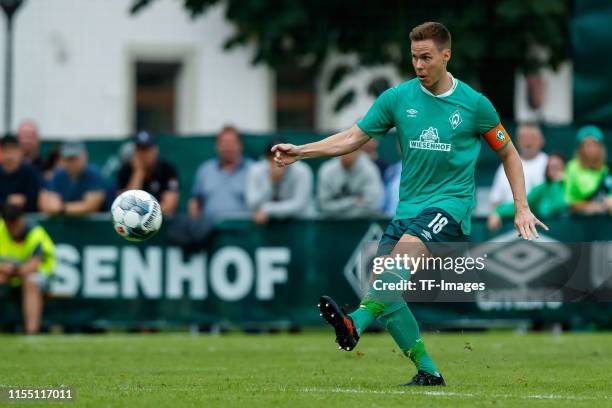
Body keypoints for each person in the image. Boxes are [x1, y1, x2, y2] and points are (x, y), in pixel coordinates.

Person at [271, 22, 546, 386]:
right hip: (407, 211)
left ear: (446, 55)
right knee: (384, 288)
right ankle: (428, 372)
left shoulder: (475, 104)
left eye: (427, 57)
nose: (419, 64)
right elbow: (353, 137)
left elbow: (510, 154)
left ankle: (355, 323)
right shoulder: (397, 99)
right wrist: (302, 151)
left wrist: (521, 206)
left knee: (391, 271)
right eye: (414, 57)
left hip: (448, 209)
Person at [183, 126, 252, 242]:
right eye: (224, 143)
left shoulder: (253, 170)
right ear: (217, 146)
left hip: (245, 236)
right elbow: (195, 201)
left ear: (240, 145)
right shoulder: (205, 170)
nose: (228, 147)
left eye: (231, 143)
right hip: (209, 237)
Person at [0, 204, 55, 334]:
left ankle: (31, 332)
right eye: (9, 223)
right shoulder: (1, 229)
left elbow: (33, 266)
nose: (12, 227)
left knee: (31, 281)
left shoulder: (35, 233)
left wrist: (11, 270)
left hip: (42, 277)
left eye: (14, 222)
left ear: (22, 219)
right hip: (10, 275)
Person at [488, 152, 568, 230]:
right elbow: (522, 205)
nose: (554, 171)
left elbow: (561, 206)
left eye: (557, 167)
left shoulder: (573, 184)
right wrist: (498, 212)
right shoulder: (541, 189)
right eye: (551, 167)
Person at [246, 139, 313, 224]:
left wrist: (267, 209)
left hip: (299, 225)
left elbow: (299, 205)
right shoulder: (256, 170)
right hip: (267, 227)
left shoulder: (302, 171)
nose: (278, 160)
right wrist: (271, 182)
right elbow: (252, 205)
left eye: (283, 155)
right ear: (266, 158)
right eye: (273, 156)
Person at [117, 131, 180, 215]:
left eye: (147, 149)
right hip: (133, 223)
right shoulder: (125, 171)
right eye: (140, 150)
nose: (144, 154)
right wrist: (138, 172)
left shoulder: (167, 170)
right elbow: (125, 205)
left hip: (162, 221)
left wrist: (146, 217)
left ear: (155, 150)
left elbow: (169, 205)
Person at [489, 123, 548, 208]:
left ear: (542, 140)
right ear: (517, 141)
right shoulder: (505, 166)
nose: (528, 142)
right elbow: (495, 201)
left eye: (533, 138)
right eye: (524, 138)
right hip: (510, 219)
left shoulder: (549, 163)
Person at [41, 141, 107, 216]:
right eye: (68, 158)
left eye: (74, 158)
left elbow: (90, 206)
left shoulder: (94, 174)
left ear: (84, 156)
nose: (71, 162)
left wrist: (62, 208)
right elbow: (50, 205)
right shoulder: (58, 175)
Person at [317, 149, 383, 218]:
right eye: (344, 148)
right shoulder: (327, 170)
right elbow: (323, 206)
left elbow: (373, 205)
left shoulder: (370, 169)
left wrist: (340, 209)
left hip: (362, 223)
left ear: (358, 150)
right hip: (333, 223)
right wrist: (353, 201)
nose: (347, 153)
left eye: (352, 149)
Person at [564, 125, 612, 214]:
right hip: (579, 222)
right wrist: (587, 206)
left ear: (601, 147)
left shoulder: (608, 170)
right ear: (580, 148)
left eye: (595, 144)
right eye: (586, 144)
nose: (591, 148)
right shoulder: (572, 167)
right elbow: (569, 200)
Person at [0, 135, 41, 212]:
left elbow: (34, 201)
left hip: (25, 219)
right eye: (6, 151)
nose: (9, 156)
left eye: (12, 151)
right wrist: (7, 201)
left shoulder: (30, 173)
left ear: (20, 152)